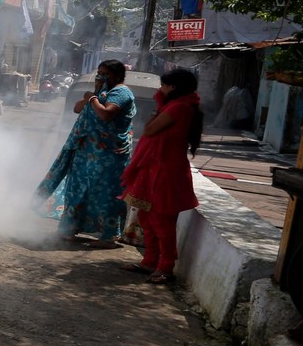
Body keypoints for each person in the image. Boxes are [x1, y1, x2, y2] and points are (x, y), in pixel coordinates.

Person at [36, 59, 137, 248]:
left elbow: (106, 113)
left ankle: (108, 237)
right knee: (77, 190)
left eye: (105, 73)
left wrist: (93, 98)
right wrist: (92, 96)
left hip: (109, 156)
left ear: (117, 75)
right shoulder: (100, 93)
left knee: (106, 195)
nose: (100, 77)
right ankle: (68, 229)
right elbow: (77, 108)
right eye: (98, 73)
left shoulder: (122, 93)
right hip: (86, 151)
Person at [120, 68, 203, 285]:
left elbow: (149, 130)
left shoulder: (179, 107)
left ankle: (166, 267)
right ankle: (149, 261)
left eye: (164, 85)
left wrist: (157, 108)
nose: (161, 89)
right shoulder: (178, 105)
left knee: (161, 220)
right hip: (156, 167)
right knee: (147, 217)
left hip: (167, 170)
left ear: (173, 88)